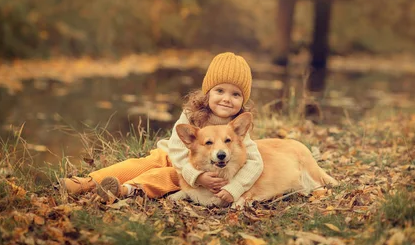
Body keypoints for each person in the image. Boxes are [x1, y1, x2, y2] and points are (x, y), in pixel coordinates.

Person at [59, 52, 263, 205]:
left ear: (243, 100)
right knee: (142, 164)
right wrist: (196, 175)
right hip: (176, 156)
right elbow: (176, 148)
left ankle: (123, 190)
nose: (227, 99)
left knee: (167, 177)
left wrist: (234, 189)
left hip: (195, 168)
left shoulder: (237, 129)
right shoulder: (193, 115)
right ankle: (88, 182)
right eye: (220, 90)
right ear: (208, 92)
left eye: (235, 94)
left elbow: (255, 162)